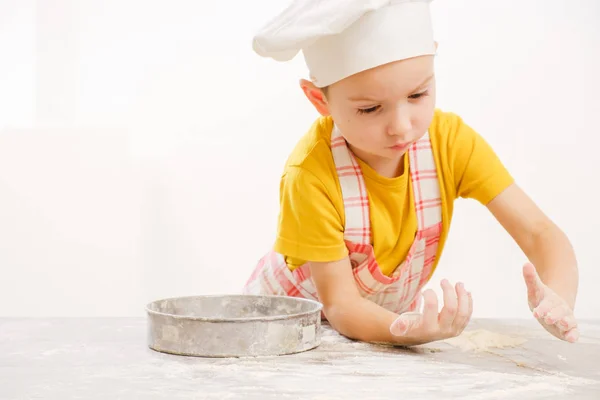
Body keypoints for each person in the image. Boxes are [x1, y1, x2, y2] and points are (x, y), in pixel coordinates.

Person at [243, 0, 579, 346]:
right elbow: (341, 305)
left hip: (377, 333)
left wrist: (559, 299)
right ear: (319, 100)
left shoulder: (449, 143)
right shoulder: (310, 174)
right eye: (370, 108)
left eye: (418, 94)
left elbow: (540, 233)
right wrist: (409, 331)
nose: (401, 127)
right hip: (281, 335)